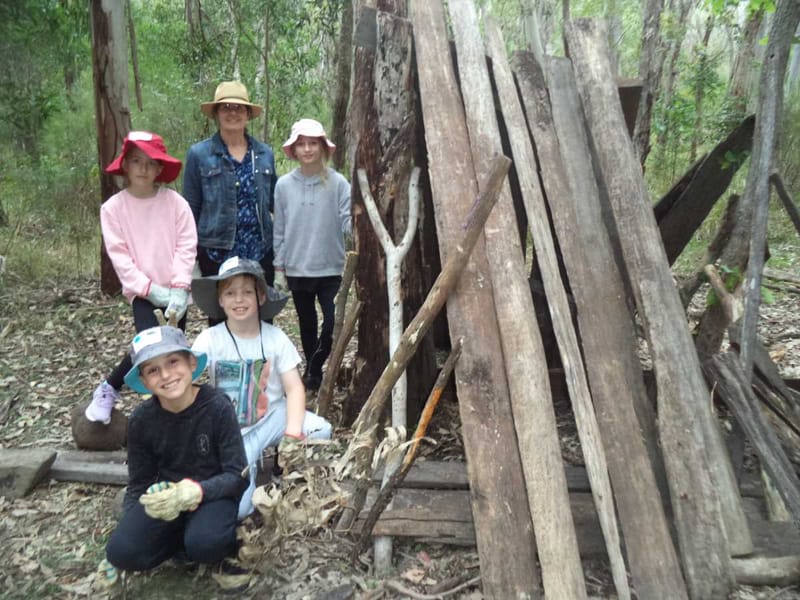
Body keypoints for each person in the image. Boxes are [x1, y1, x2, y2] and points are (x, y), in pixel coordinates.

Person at [96, 326, 247, 587]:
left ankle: (207, 544)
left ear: (190, 363)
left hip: (212, 495)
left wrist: (198, 491)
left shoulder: (217, 407)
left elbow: (237, 476)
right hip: (167, 497)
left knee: (205, 544)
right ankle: (178, 542)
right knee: (121, 551)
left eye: (173, 362)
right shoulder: (141, 421)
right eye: (153, 370)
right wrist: (129, 525)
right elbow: (139, 484)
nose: (166, 375)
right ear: (143, 381)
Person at [191, 256, 333, 520]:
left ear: (261, 297)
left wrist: (292, 433)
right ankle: (250, 473)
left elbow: (294, 389)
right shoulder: (209, 340)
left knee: (320, 429)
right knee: (241, 510)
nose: (239, 300)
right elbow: (188, 385)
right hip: (233, 431)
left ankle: (288, 475)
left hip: (272, 416)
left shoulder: (275, 338)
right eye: (230, 293)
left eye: (247, 292)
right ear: (220, 300)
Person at [85, 131, 197, 425]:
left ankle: (174, 409)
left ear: (160, 168)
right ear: (125, 166)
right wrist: (150, 289)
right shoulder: (113, 209)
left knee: (173, 352)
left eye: (150, 162)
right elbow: (120, 256)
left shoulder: (175, 203)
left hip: (176, 291)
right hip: (143, 293)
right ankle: (110, 388)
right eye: (136, 161)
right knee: (148, 349)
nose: (143, 169)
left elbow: (186, 245)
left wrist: (179, 288)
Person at [182, 81, 278, 317]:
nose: (232, 112)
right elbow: (190, 210)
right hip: (216, 253)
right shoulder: (199, 154)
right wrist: (191, 260)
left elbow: (275, 203)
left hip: (259, 253)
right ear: (216, 113)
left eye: (239, 108)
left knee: (262, 321)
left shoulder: (264, 154)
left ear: (247, 115)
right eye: (225, 107)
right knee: (220, 322)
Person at [272, 119, 351, 390]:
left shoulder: (339, 183)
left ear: (322, 147)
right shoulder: (283, 185)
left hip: (330, 266)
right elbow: (279, 228)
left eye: (312, 143)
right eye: (301, 144)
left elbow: (349, 220)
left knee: (331, 322)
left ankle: (315, 365)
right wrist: (279, 267)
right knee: (307, 323)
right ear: (294, 149)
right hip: (297, 266)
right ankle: (313, 373)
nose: (307, 149)